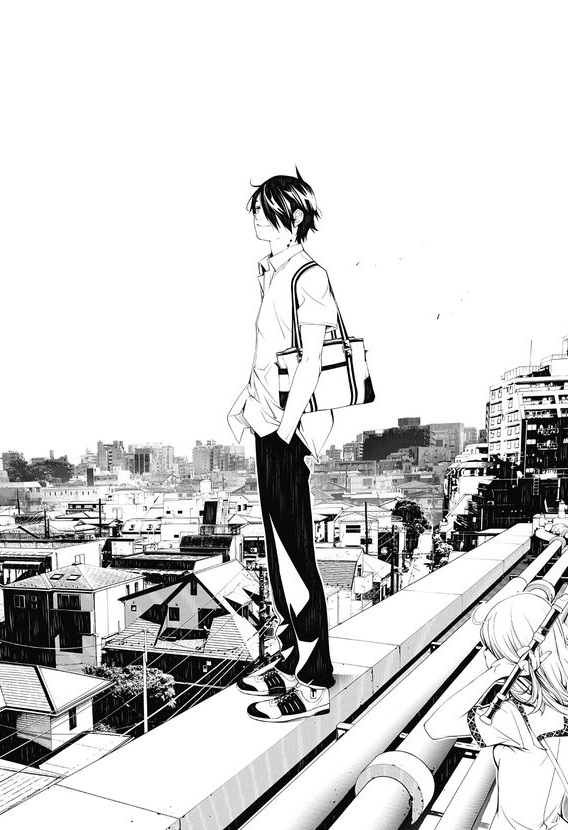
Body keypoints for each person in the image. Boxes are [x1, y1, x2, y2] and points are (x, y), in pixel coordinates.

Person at [227, 170, 340, 722]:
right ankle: (294, 656)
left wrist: (287, 428)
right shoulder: (273, 273)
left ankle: (314, 681)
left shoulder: (308, 276)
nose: (255, 220)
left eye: (264, 211)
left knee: (295, 554)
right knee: (278, 551)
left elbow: (313, 359)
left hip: (285, 430)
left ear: (292, 217)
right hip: (267, 423)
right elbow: (267, 357)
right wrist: (244, 405)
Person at [425, 592, 568, 830]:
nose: (486, 655)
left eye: (492, 649)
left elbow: (435, 727)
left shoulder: (512, 717)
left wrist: (493, 675)